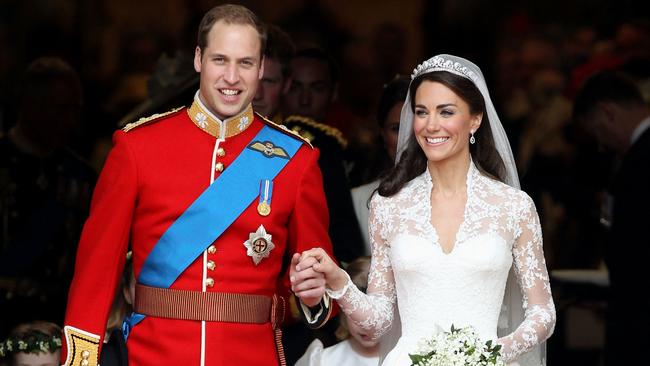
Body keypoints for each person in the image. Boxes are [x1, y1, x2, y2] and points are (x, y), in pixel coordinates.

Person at [61, 5, 334, 366]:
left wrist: (313, 297)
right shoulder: (137, 147)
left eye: (246, 63)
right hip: (154, 356)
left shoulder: (296, 160)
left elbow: (317, 281)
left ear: (262, 68)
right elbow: (96, 272)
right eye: (220, 60)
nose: (232, 77)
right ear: (198, 60)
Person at [292, 54, 556, 365]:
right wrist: (339, 282)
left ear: (475, 119)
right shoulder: (389, 205)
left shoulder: (514, 206)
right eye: (421, 112)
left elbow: (543, 313)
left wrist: (491, 354)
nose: (431, 125)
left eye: (446, 112)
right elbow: (378, 320)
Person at [0, 57, 96, 335]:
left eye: (75, 110)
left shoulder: (82, 175)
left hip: (58, 318)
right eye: (59, 109)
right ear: (30, 105)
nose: (69, 121)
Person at [572, 70, 650, 366]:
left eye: (598, 133)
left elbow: (634, 248)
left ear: (608, 112)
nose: (601, 146)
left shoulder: (639, 162)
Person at [351, 75, 410, 254]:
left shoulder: (453, 195)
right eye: (397, 129)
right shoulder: (358, 200)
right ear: (383, 135)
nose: (405, 140)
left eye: (414, 127)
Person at [295, 256, 379, 366]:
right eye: (355, 313)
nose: (365, 325)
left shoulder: (404, 356)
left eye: (373, 315)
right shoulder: (323, 360)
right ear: (343, 311)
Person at [252, 24, 295, 123]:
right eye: (250, 80)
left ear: (286, 85)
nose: (257, 95)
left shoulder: (300, 138)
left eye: (268, 82)